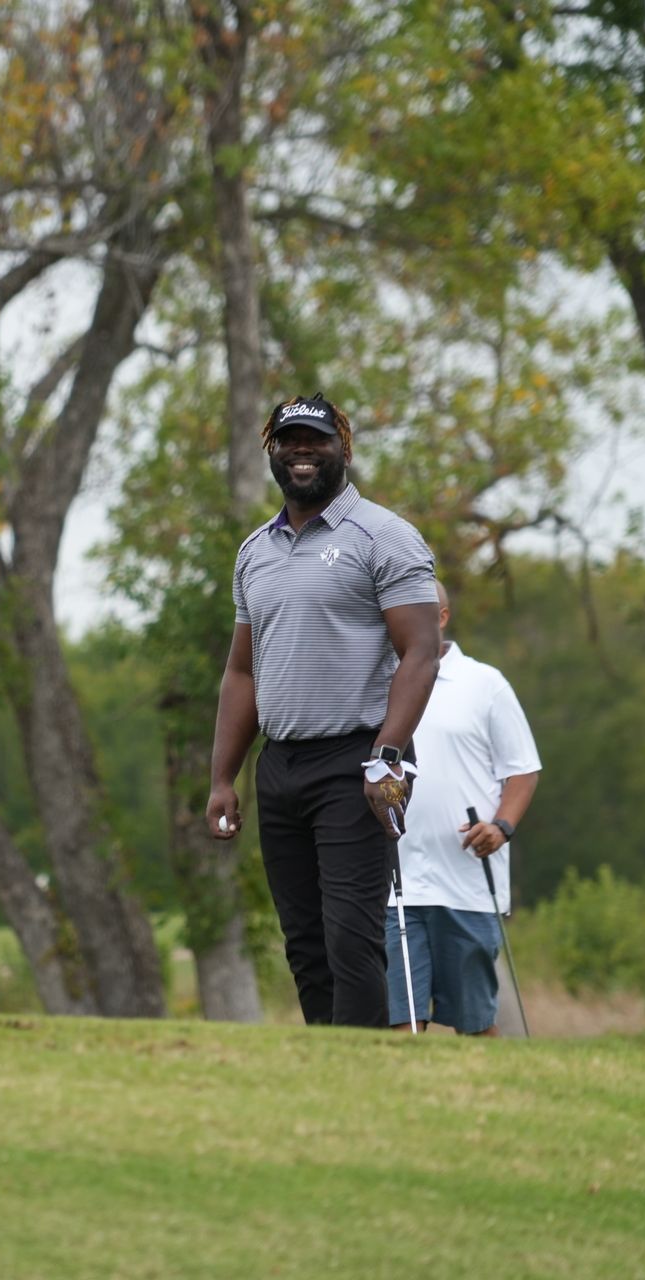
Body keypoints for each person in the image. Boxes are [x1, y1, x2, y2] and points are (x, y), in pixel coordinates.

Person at [206, 394, 441, 1027]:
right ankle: (326, 1071)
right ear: (272, 452)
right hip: (280, 765)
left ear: (343, 447)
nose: (301, 451)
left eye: (315, 440)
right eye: (288, 442)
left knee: (349, 937)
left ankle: (366, 1078)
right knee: (305, 942)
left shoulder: (384, 536)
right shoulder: (255, 551)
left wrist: (387, 756)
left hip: (358, 762)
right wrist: (224, 778)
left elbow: (421, 653)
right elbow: (242, 671)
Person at [387, 581, 541, 1035]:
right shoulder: (379, 681)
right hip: (396, 885)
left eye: (420, 613)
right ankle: (410, 1106)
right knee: (402, 1021)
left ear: (442, 617)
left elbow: (522, 770)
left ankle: (490, 1100)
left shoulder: (484, 684)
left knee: (475, 1023)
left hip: (466, 882)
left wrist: (502, 826)